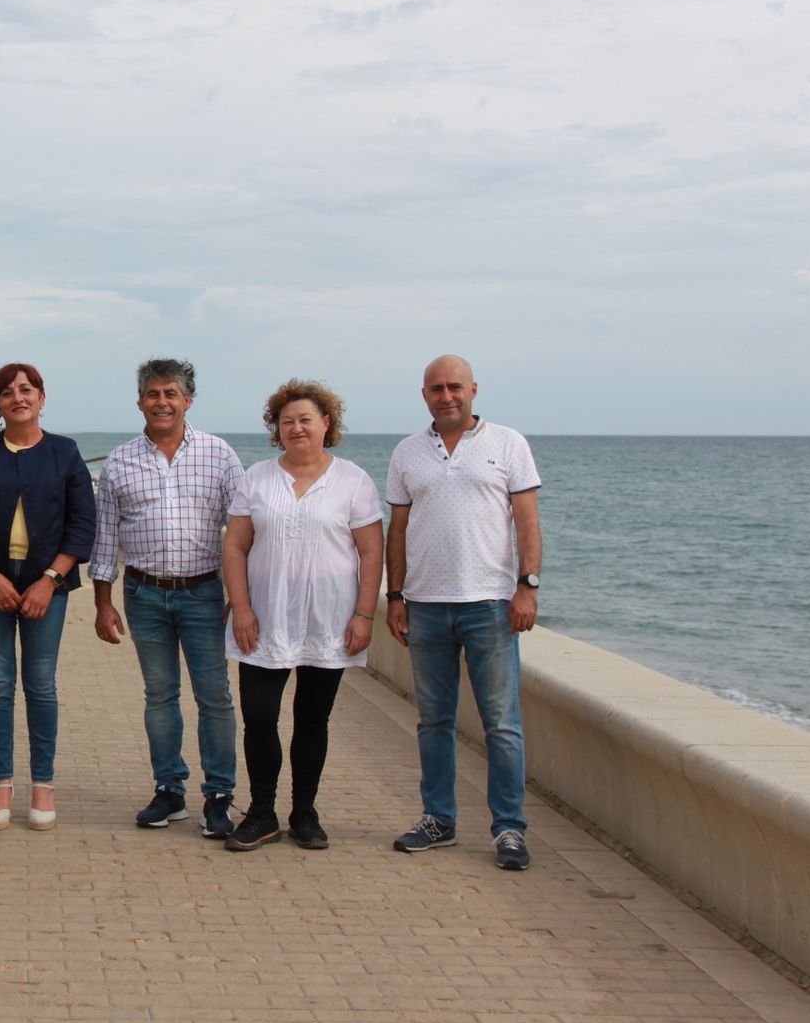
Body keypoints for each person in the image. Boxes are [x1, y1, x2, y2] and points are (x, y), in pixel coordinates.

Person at [385, 354, 542, 871]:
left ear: (473, 389)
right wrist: (396, 596)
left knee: (501, 722)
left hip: (490, 605)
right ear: (424, 394)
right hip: (426, 608)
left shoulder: (508, 444)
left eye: (455, 387)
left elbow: (526, 521)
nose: (446, 396)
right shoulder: (407, 453)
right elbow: (398, 530)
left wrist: (527, 586)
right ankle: (438, 819)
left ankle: (509, 829)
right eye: (436, 388)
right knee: (434, 721)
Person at [222, 380, 384, 852]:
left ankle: (305, 813)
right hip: (264, 619)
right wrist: (243, 608)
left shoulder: (353, 481)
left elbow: (371, 554)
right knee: (258, 716)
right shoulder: (256, 478)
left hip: (328, 620)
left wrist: (364, 615)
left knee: (313, 720)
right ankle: (261, 812)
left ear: (326, 423)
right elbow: (235, 545)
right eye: (286, 421)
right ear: (277, 428)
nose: (296, 428)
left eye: (305, 419)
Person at [91, 358, 244, 837]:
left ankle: (219, 795)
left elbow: (242, 532)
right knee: (160, 695)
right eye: (153, 394)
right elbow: (104, 537)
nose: (162, 402)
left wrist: (241, 598)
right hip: (144, 595)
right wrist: (102, 601)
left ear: (187, 401)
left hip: (203, 594)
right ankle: (169, 790)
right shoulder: (120, 461)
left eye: (170, 393)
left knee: (215, 697)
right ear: (140, 402)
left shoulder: (219, 456)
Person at [0, 364, 94, 831]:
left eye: (26, 390)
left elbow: (81, 524)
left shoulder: (65, 453)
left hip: (46, 587)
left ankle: (44, 786)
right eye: (7, 393)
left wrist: (50, 580)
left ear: (42, 397)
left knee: (41, 684)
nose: (18, 398)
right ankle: (1, 785)